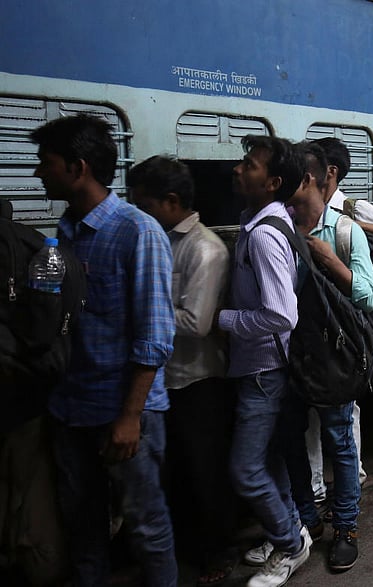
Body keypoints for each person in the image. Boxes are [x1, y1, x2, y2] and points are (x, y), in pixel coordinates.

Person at [32, 114, 177, 586]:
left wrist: (130, 416)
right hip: (72, 408)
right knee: (84, 527)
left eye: (46, 163)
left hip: (124, 413)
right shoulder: (65, 230)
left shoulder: (139, 232)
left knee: (146, 526)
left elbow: (154, 336)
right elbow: (50, 304)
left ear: (77, 167)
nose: (38, 172)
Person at [126, 156, 238, 584]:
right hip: (164, 379)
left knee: (204, 470)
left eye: (144, 204)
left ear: (171, 201)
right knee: (176, 471)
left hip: (197, 379)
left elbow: (197, 322)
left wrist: (141, 310)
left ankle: (217, 552)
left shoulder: (205, 248)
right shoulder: (156, 239)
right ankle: (186, 546)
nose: (138, 213)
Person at [217, 135, 312, 587]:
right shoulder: (260, 222)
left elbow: (280, 313)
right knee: (270, 460)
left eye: (248, 164)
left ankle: (290, 545)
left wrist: (226, 319)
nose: (238, 169)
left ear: (272, 182)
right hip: (259, 367)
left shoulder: (265, 235)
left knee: (245, 469)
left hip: (264, 370)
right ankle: (288, 530)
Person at [281, 141, 373, 572]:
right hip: (287, 354)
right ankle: (307, 517)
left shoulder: (342, 230)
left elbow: (368, 296)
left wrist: (328, 260)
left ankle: (346, 528)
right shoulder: (279, 227)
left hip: (331, 354)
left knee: (338, 440)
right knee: (291, 440)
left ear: (312, 180)